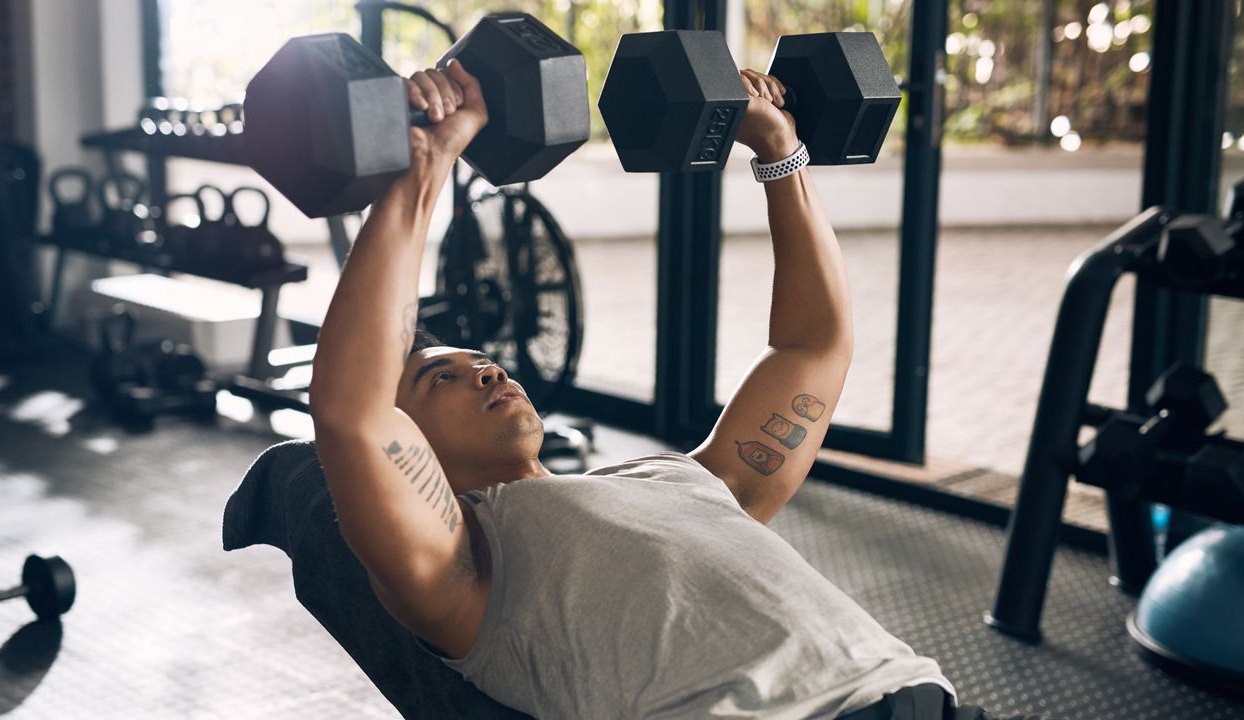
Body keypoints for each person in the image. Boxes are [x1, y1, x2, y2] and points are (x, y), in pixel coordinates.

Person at [308, 59, 1060, 720]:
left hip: (925, 697)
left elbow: (813, 345)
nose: (487, 370)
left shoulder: (691, 480)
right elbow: (354, 413)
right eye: (439, 375)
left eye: (482, 360)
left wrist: (778, 149)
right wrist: (426, 169)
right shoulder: (464, 567)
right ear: (411, 445)